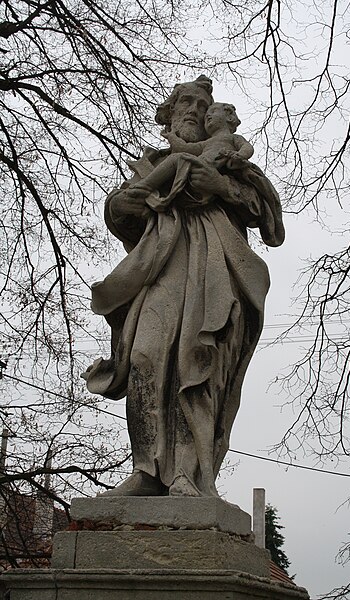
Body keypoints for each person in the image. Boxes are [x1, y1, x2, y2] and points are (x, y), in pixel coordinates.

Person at [82, 75, 285, 497]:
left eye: (202, 104)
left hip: (215, 267)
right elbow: (122, 213)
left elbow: (266, 216)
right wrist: (120, 205)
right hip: (161, 267)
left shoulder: (226, 156)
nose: (194, 109)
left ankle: (188, 475)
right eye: (186, 102)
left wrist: (223, 187)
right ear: (169, 114)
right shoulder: (153, 164)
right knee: (143, 356)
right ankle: (145, 471)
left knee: (199, 363)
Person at [127, 102, 254, 213]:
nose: (208, 116)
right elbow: (186, 148)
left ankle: (146, 185)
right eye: (205, 117)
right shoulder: (206, 143)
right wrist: (172, 137)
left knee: (178, 158)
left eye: (213, 111)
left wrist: (240, 156)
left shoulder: (233, 138)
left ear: (230, 117)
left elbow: (247, 147)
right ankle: (146, 186)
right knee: (177, 158)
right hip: (197, 167)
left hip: (211, 170)